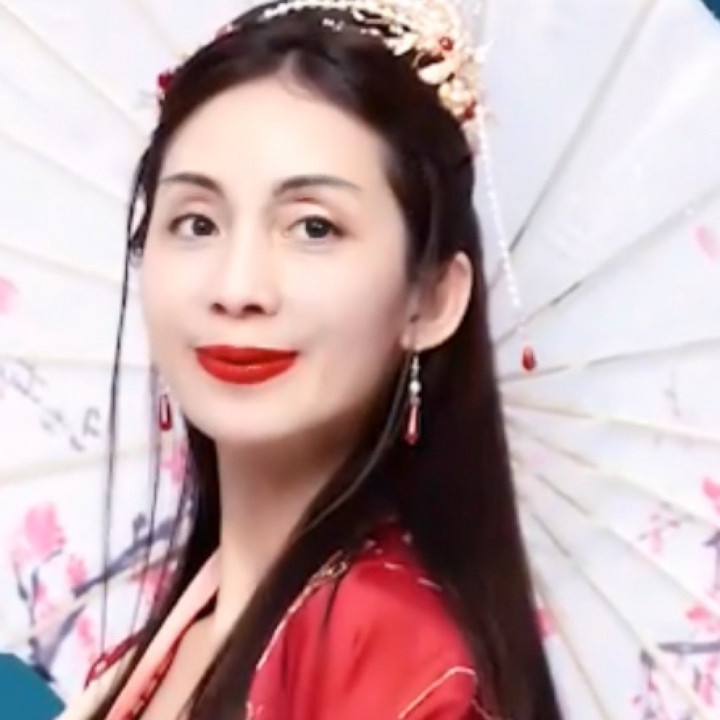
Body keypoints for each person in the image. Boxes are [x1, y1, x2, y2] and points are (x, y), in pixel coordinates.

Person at [58, 1, 563, 718]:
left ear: (430, 298)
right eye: (196, 222)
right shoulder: (138, 663)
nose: (237, 287)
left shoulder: (397, 657)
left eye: (313, 228)